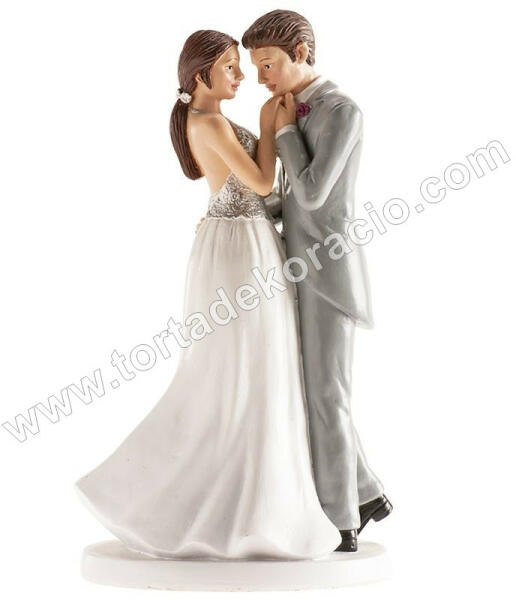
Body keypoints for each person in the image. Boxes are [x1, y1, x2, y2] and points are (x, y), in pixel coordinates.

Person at [74, 29, 342, 560]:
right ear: (202, 76)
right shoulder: (210, 122)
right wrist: (271, 125)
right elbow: (261, 183)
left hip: (242, 239)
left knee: (254, 365)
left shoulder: (206, 120)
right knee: (245, 365)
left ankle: (256, 498)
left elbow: (248, 188)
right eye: (230, 68)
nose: (242, 77)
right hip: (241, 248)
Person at [242, 10, 392, 552]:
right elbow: (290, 202)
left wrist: (283, 130)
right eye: (256, 67)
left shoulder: (341, 111)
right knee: (311, 391)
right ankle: (365, 493)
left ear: (301, 52)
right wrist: (239, 215)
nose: (261, 78)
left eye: (268, 65)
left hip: (329, 273)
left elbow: (310, 193)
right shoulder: (295, 108)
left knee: (327, 395)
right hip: (298, 268)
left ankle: (342, 518)